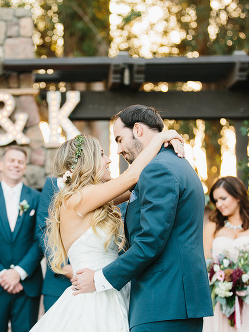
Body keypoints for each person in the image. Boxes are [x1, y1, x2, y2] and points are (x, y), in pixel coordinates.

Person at [68, 105, 213, 332]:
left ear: (137, 130)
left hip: (162, 301)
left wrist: (98, 279)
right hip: (173, 302)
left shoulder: (158, 170)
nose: (117, 150)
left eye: (119, 139)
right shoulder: (174, 164)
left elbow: (150, 241)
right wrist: (165, 137)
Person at [31, 129, 185, 331]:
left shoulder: (94, 198)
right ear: (88, 161)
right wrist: (162, 137)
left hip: (111, 290)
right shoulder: (76, 200)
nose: (109, 160)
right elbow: (133, 175)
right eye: (102, 154)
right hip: (93, 300)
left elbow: (135, 187)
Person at [0, 145, 42, 332]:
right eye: (11, 160)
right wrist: (3, 275)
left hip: (27, 284)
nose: (16, 165)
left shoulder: (37, 198)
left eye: (20, 162)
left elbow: (41, 239)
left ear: (25, 167)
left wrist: (18, 273)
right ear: (1, 165)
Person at [201, 176, 249, 331]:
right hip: (222, 297)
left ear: (238, 196)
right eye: (216, 200)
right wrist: (221, 285)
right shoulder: (212, 227)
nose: (219, 204)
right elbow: (206, 260)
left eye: (223, 198)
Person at [34, 174, 73, 311]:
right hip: (59, 283)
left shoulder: (106, 183)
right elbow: (44, 229)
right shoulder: (54, 184)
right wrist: (63, 267)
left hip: (97, 281)